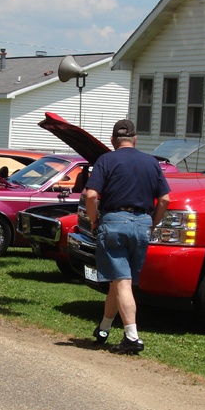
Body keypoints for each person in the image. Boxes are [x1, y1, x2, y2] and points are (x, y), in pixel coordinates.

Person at [84, 119, 171, 354]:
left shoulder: (106, 160)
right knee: (120, 280)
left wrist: (93, 221)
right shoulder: (151, 162)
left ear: (113, 141)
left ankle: (132, 337)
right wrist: (152, 223)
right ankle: (104, 328)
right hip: (142, 223)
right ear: (135, 139)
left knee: (121, 281)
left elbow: (91, 195)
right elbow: (164, 199)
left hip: (114, 222)